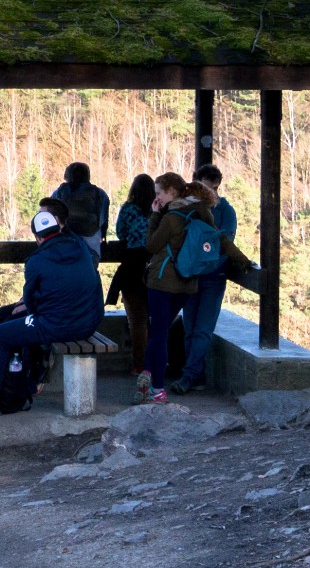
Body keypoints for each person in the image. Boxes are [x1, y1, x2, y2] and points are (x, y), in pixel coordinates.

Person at [0, 199, 103, 415]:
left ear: (37, 237)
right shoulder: (80, 247)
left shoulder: (36, 260)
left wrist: (30, 309)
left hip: (58, 324)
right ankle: (18, 382)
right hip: (88, 321)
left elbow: (30, 302)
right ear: (58, 228)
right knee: (2, 319)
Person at [139, 173, 252, 403]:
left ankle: (156, 388)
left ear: (172, 192)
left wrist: (155, 214)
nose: (157, 197)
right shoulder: (203, 213)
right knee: (162, 331)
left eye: (159, 193)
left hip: (163, 282)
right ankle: (148, 379)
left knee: (158, 334)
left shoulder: (171, 218)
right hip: (188, 284)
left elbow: (151, 245)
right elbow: (222, 240)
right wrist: (244, 261)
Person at [181, 162, 239, 392]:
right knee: (189, 328)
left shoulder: (226, 211)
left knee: (203, 329)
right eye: (205, 188)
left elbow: (225, 243)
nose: (210, 193)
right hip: (191, 275)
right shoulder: (188, 208)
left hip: (213, 276)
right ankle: (195, 374)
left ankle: (189, 376)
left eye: (213, 188)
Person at [106, 173, 157, 372]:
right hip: (156, 263)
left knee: (137, 319)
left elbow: (121, 233)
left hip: (132, 264)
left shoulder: (128, 209)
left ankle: (139, 364)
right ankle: (156, 362)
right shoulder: (159, 210)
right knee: (157, 317)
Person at [49, 162, 110, 258]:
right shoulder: (100, 194)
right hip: (91, 247)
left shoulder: (58, 193)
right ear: (88, 175)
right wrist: (103, 238)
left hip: (64, 246)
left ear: (67, 175)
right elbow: (103, 220)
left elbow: (50, 219)